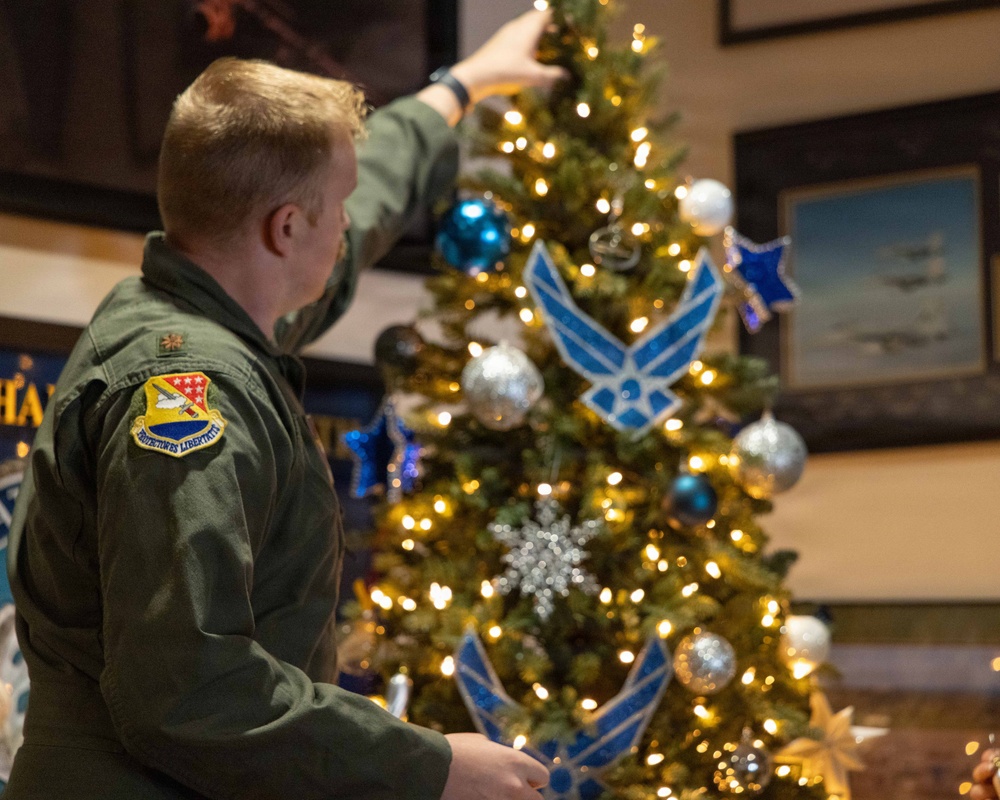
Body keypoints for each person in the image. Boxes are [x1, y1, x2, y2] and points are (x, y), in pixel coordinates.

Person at [4, 10, 565, 799]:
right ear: (288, 226)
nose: (347, 223)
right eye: (335, 205)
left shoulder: (195, 307)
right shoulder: (189, 391)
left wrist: (463, 85)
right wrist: (429, 766)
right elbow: (188, 689)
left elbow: (362, 225)